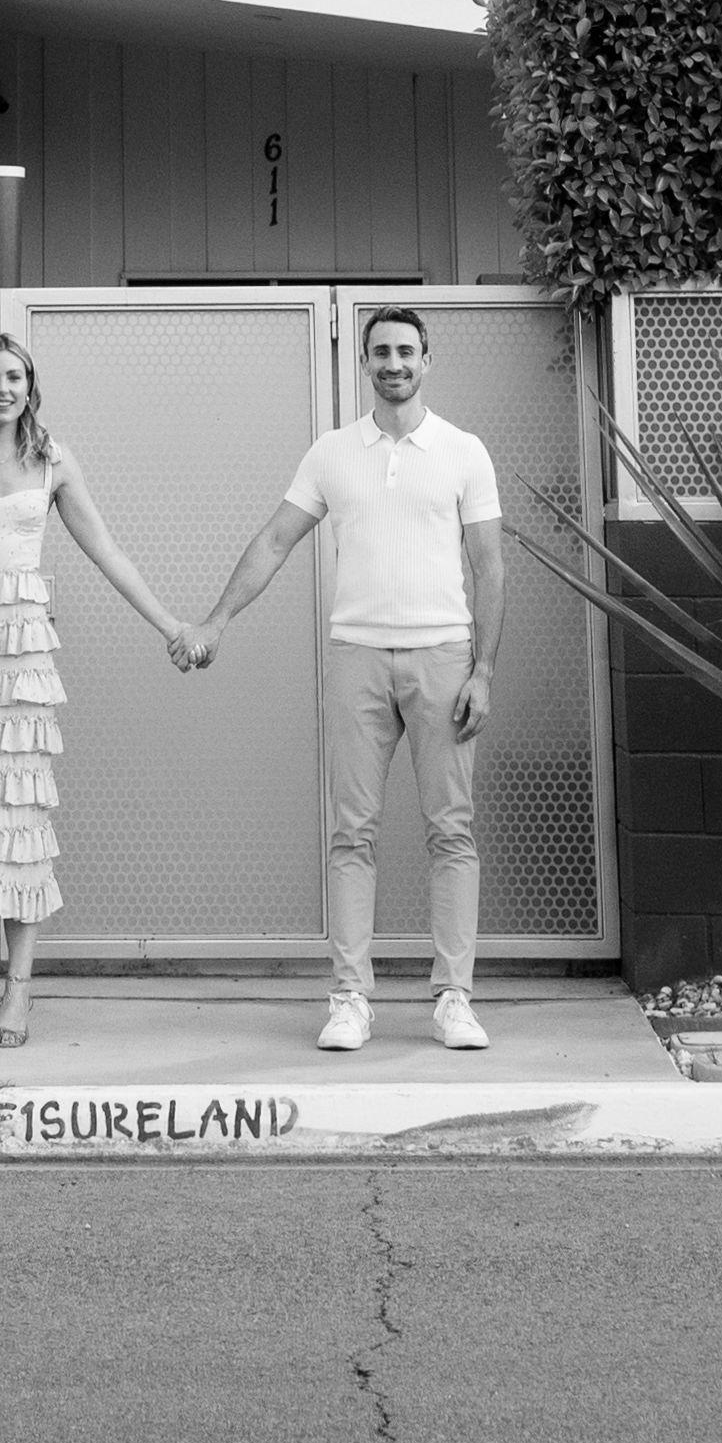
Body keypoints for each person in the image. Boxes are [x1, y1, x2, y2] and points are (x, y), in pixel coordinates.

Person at [184, 301, 506, 1052]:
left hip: (442, 656)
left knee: (451, 829)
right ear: (364, 363)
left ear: (427, 359)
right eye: (381, 352)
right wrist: (216, 620)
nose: (393, 363)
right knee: (351, 832)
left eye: (405, 351)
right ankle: (350, 997)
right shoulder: (332, 452)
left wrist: (483, 670)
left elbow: (489, 565)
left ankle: (454, 997)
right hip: (355, 655)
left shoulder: (463, 451)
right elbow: (275, 540)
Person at [0, 327, 206, 1049]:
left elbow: (106, 550)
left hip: (21, 662)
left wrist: (171, 623)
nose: (3, 388)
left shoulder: (52, 460)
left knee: (19, 827)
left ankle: (19, 988)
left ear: (30, 387)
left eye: (15, 376)